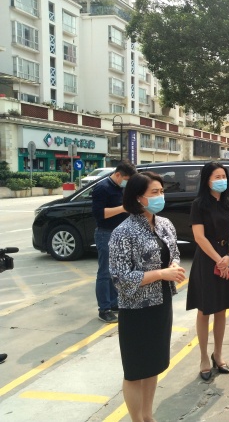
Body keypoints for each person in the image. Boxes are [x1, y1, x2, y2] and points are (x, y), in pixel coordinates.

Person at [109, 171, 186, 422]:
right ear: (138, 197)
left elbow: (174, 252)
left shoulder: (165, 224)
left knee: (153, 366)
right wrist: (161, 273)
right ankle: (136, 419)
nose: (160, 196)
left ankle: (147, 416)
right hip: (136, 309)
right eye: (154, 192)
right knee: (135, 371)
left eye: (162, 191)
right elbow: (120, 278)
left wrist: (173, 266)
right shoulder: (123, 232)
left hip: (161, 304)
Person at [186, 162, 229, 381]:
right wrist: (219, 260)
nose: (221, 180)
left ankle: (218, 354)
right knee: (205, 310)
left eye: (223, 176)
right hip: (208, 259)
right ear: (207, 180)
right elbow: (199, 237)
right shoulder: (199, 205)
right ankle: (203, 357)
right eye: (217, 177)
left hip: (228, 257)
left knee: (221, 309)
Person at [91, 160, 137, 323]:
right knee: (105, 272)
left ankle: (114, 302)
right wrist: (123, 208)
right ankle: (104, 309)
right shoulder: (102, 188)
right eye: (126, 180)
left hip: (120, 233)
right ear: (118, 175)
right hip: (106, 233)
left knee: (116, 271)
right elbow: (99, 214)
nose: (126, 184)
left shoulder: (120, 188)